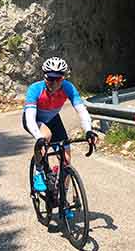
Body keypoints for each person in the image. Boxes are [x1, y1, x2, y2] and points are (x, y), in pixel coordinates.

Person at [23, 57, 97, 195]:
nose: (54, 83)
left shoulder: (68, 87)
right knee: (46, 136)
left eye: (58, 79)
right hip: (35, 119)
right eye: (50, 78)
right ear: (44, 77)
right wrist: (39, 138)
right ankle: (39, 172)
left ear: (63, 78)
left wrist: (88, 130)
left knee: (66, 160)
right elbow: (30, 118)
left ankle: (63, 196)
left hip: (53, 119)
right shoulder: (35, 89)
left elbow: (81, 110)